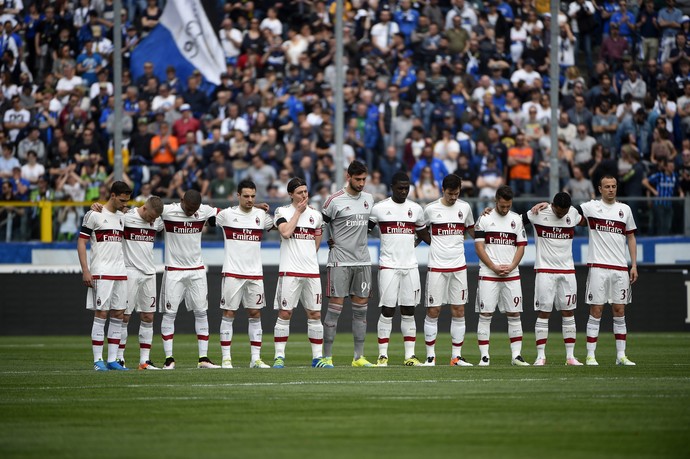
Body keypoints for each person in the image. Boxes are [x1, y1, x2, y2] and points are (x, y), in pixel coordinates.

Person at [370, 172, 429, 367]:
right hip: (388, 265)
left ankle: (410, 356)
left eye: (406, 188)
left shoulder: (416, 209)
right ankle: (382, 356)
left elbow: (424, 234)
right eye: (400, 188)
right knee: (388, 310)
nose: (404, 191)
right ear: (392, 187)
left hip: (410, 266)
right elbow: (364, 231)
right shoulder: (379, 209)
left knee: (409, 310)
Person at [321, 161, 376, 367]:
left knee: (361, 310)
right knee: (335, 309)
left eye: (364, 179)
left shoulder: (369, 200)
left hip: (362, 261)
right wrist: (328, 239)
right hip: (340, 262)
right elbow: (321, 224)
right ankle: (327, 357)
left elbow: (371, 223)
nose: (362, 183)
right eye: (358, 179)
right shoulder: (334, 200)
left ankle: (358, 357)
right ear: (348, 177)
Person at [272, 178, 331, 369]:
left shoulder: (316, 215)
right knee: (285, 312)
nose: (304, 195)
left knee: (314, 313)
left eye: (306, 192)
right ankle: (279, 357)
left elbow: (317, 239)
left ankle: (317, 358)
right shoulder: (282, 211)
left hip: (311, 272)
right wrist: (298, 212)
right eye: (300, 192)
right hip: (289, 272)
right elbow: (286, 232)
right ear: (291, 194)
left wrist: (308, 258)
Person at [159, 189, 221, 370]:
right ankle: (169, 358)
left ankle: (203, 358)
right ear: (181, 200)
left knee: (201, 312)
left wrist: (253, 206)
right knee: (169, 314)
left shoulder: (203, 210)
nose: (192, 212)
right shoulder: (167, 211)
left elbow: (229, 214)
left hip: (197, 270)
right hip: (174, 271)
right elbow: (144, 210)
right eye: (188, 208)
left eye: (195, 209)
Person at [216, 180, 274, 369]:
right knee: (229, 313)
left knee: (255, 313)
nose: (250, 199)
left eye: (253, 196)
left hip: (255, 274)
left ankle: (255, 359)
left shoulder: (261, 216)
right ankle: (226, 358)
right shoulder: (226, 215)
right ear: (238, 196)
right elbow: (204, 214)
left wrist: (257, 207)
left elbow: (281, 226)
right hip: (232, 273)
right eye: (246, 196)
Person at [580, 175, 638, 365]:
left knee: (619, 310)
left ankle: (621, 356)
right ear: (600, 189)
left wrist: (634, 265)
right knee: (596, 310)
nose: (611, 189)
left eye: (613, 186)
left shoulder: (625, 210)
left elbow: (631, 238)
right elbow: (566, 211)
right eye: (607, 186)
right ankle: (590, 355)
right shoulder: (591, 207)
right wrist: (544, 206)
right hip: (598, 267)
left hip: (620, 268)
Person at [77, 181, 132, 371]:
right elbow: (82, 243)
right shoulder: (94, 215)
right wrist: (86, 270)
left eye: (127, 201)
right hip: (101, 272)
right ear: (113, 196)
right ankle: (98, 360)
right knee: (101, 313)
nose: (125, 204)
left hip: (120, 272)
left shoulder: (122, 216)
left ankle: (113, 360)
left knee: (118, 314)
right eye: (122, 200)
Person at [422, 174, 475, 366]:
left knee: (458, 309)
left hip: (459, 267)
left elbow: (473, 230)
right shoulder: (430, 209)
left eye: (457, 193)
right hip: (437, 267)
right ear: (442, 190)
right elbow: (420, 230)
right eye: (450, 193)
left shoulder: (465, 208)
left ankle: (456, 357)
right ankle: (430, 357)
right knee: (434, 310)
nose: (453, 197)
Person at [525, 192, 584, 366]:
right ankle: (541, 356)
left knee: (568, 312)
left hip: (567, 271)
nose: (561, 215)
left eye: (564, 212)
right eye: (559, 212)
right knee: (544, 312)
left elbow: (591, 221)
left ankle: (570, 357)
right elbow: (513, 220)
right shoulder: (538, 213)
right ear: (552, 205)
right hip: (545, 271)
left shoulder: (572, 213)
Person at [474, 185, 528, 366]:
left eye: (508, 206)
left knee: (514, 314)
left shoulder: (516, 219)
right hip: (489, 273)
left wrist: (512, 266)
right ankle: (484, 356)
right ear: (496, 200)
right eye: (502, 206)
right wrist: (493, 266)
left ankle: (516, 356)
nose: (505, 209)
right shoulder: (485, 219)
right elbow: (479, 247)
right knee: (485, 313)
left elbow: (521, 246)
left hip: (511, 274)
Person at [118, 196, 165, 370]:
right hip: (130, 271)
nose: (153, 221)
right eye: (151, 216)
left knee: (148, 316)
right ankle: (119, 358)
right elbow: (107, 216)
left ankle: (144, 361)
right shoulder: (126, 218)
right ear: (144, 208)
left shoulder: (156, 220)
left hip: (149, 273)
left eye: (155, 218)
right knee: (124, 316)